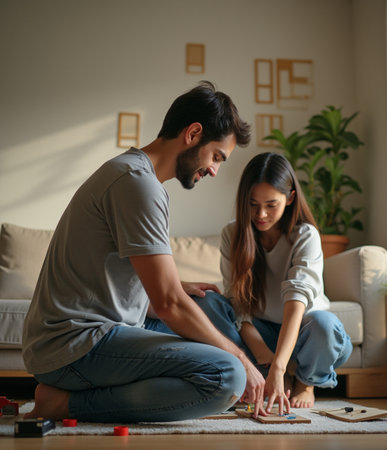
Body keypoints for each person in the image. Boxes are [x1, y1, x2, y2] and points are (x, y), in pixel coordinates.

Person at [21, 81, 267, 423]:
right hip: (75, 344)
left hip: (91, 335)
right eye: (216, 157)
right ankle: (64, 404)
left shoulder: (134, 175)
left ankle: (83, 393)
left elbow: (141, 290)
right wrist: (240, 358)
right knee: (227, 375)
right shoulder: (137, 183)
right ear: (193, 133)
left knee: (206, 307)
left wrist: (179, 289)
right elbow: (167, 303)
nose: (214, 170)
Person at [194, 152, 353, 412]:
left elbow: (296, 301)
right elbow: (239, 307)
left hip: (306, 333)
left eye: (271, 204)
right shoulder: (231, 234)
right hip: (259, 333)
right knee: (210, 303)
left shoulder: (305, 235)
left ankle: (305, 382)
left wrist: (279, 364)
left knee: (326, 326)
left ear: (290, 198)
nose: (261, 214)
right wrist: (263, 355)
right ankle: (267, 374)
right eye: (253, 204)